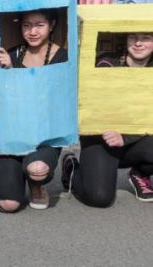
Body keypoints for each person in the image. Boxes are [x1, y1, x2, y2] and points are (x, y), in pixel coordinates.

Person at [0, 9, 67, 212]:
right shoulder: (9, 55)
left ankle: (35, 183)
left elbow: (55, 98)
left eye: (39, 25)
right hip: (13, 133)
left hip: (45, 135)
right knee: (8, 204)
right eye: (26, 25)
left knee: (37, 170)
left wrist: (14, 69)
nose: (32, 31)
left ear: (52, 25)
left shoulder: (63, 58)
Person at [62, 33, 153, 206]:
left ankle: (141, 172)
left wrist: (125, 137)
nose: (138, 43)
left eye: (146, 38)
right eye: (133, 37)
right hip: (102, 138)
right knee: (99, 197)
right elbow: (92, 105)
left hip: (137, 139)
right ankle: (72, 169)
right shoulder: (106, 64)